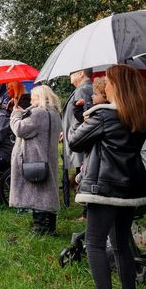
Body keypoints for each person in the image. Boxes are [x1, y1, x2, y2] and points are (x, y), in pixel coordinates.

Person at [69, 65, 146, 289]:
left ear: (118, 87)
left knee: (94, 243)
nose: (106, 83)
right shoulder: (138, 116)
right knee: (121, 245)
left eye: (109, 81)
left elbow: (75, 141)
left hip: (103, 187)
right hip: (130, 187)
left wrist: (80, 117)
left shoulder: (104, 115)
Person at [9, 85, 61, 234]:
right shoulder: (54, 114)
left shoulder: (38, 113)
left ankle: (40, 227)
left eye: (34, 96)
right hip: (48, 157)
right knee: (48, 191)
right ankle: (50, 226)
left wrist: (16, 115)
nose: (31, 99)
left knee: (38, 192)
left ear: (40, 97)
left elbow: (20, 130)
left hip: (34, 157)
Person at [61, 68, 94, 203]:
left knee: (83, 171)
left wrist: (73, 133)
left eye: (72, 73)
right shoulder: (82, 89)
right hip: (76, 135)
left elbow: (83, 116)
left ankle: (86, 208)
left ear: (81, 74)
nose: (69, 76)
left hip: (79, 138)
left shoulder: (83, 90)